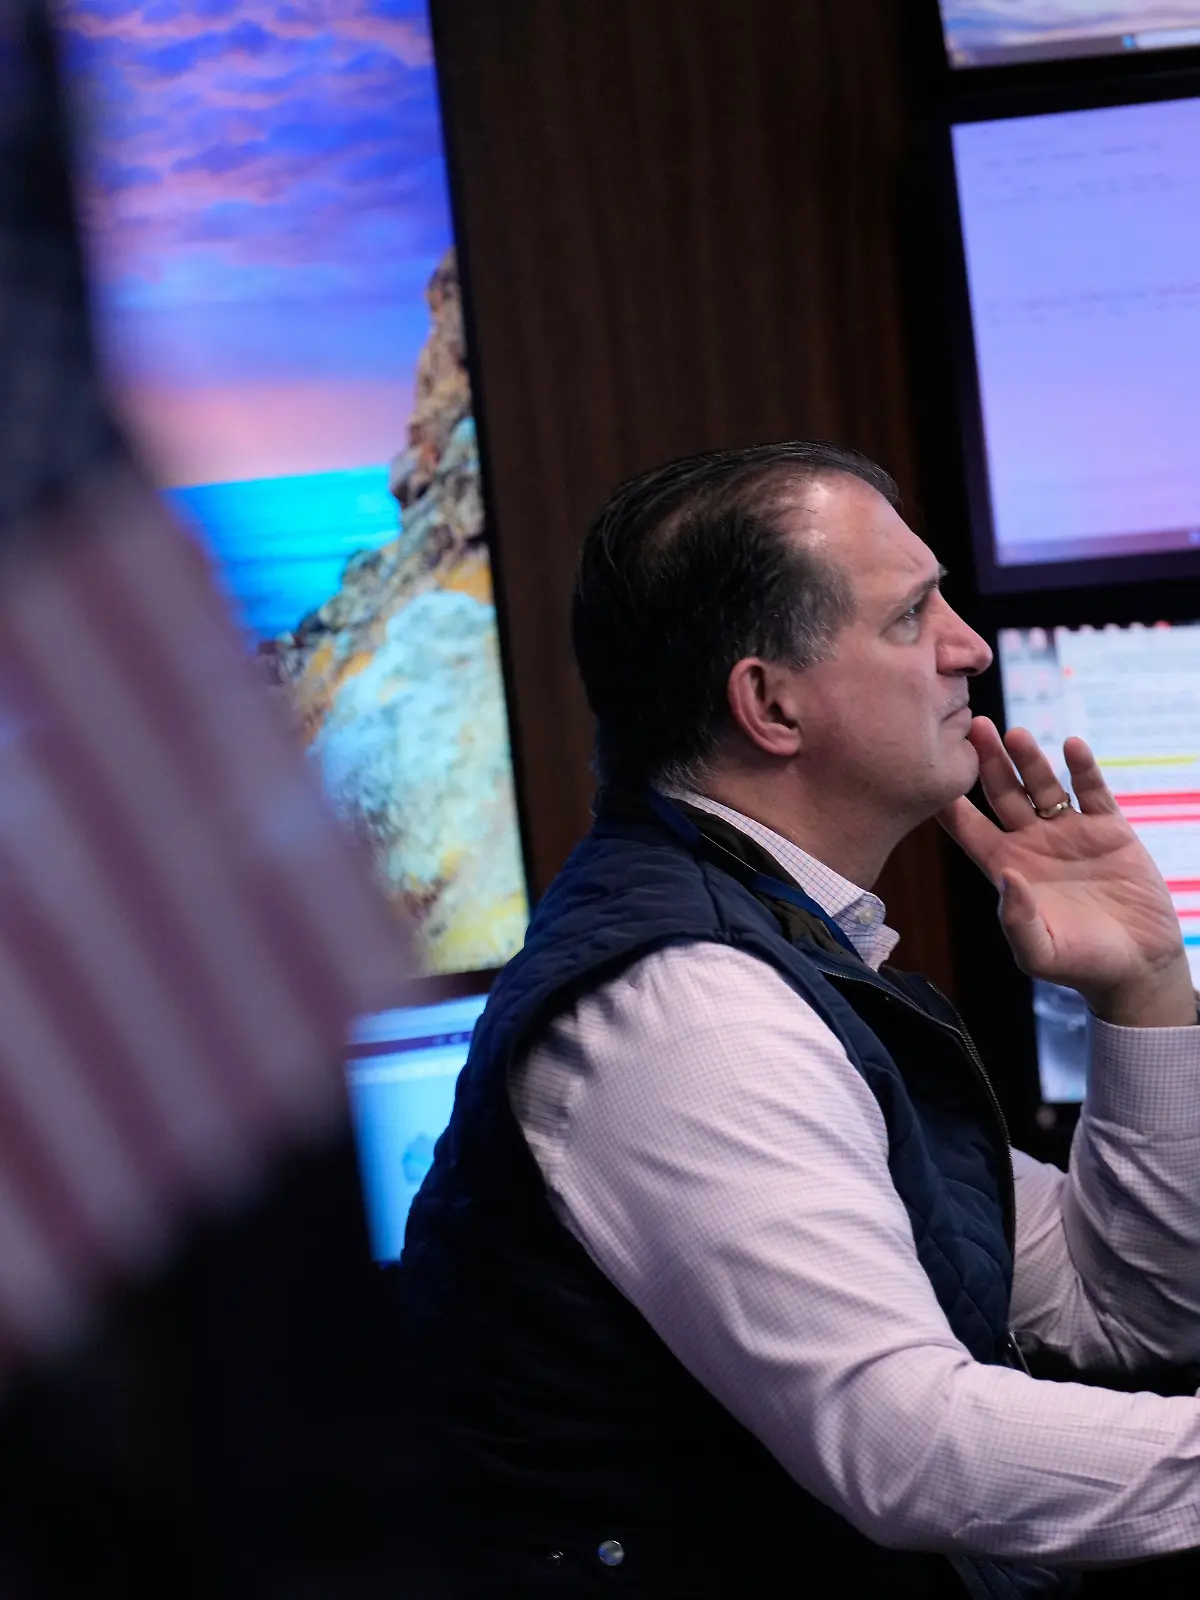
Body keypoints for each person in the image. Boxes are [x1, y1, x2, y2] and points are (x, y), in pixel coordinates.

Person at [397, 442, 1200, 1598]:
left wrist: (1143, 992)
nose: (969, 645)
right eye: (912, 614)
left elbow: (1130, 1310)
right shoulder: (692, 1013)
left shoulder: (784, 955)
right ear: (770, 703)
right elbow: (912, 1450)